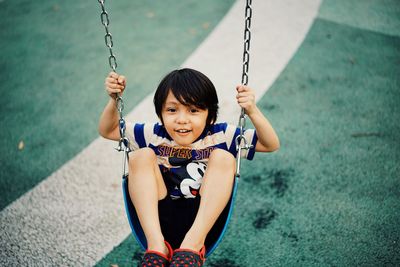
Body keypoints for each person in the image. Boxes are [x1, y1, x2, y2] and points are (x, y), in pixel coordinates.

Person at [98, 68, 279, 267]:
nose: (182, 119)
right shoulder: (153, 135)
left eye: (193, 110)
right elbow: (109, 130)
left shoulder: (221, 135)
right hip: (159, 217)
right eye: (172, 110)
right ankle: (157, 247)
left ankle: (193, 245)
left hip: (203, 218)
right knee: (141, 156)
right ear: (160, 113)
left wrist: (252, 110)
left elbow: (270, 144)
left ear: (210, 115)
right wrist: (114, 100)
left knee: (224, 157)